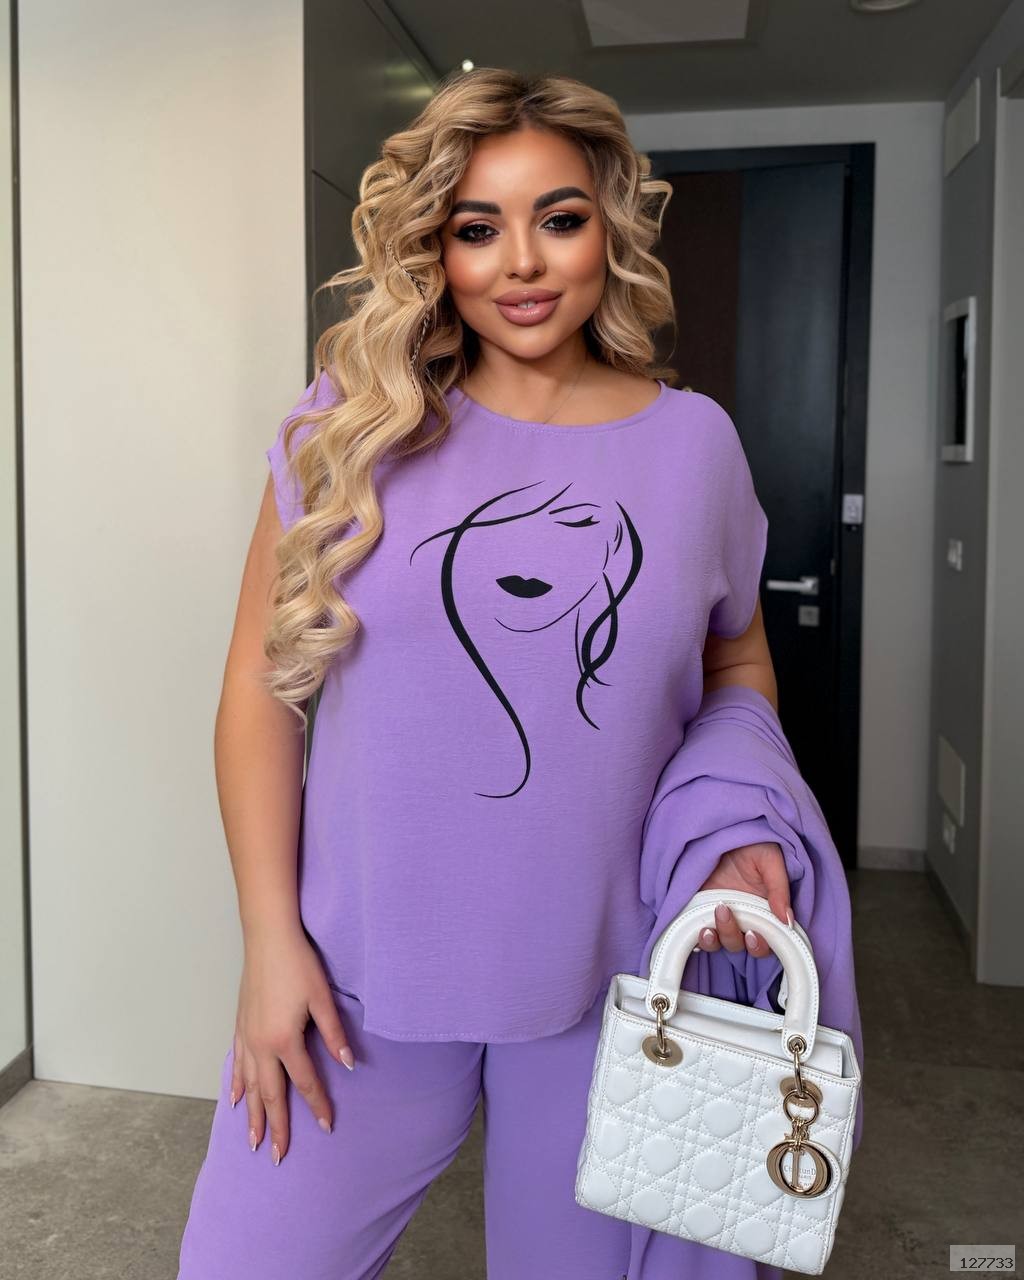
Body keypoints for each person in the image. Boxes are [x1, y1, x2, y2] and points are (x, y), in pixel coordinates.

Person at [176, 67, 807, 1280]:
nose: (520, 262)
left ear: (607, 228)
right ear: (435, 247)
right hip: (356, 979)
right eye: (477, 227)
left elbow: (735, 653)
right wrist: (268, 940)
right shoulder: (348, 429)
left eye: (557, 218)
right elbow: (260, 689)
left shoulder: (696, 446)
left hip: (612, 979)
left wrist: (735, 819)